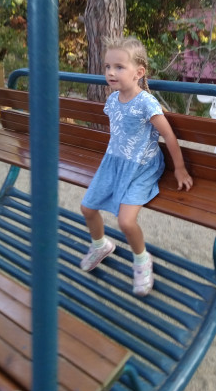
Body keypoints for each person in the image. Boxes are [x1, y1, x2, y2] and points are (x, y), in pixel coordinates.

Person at [80, 36, 193, 296]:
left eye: (119, 67)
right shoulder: (112, 100)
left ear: (139, 73)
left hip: (142, 168)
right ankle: (100, 245)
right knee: (87, 208)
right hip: (114, 163)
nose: (110, 72)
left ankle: (142, 260)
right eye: (108, 66)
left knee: (126, 222)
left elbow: (169, 135)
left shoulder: (146, 103)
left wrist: (179, 168)